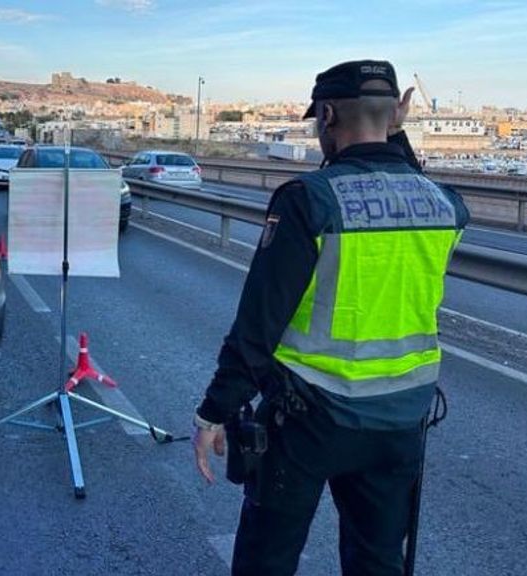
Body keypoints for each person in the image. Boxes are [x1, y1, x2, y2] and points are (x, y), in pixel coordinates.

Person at [192, 60, 469, 576]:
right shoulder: (443, 204)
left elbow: (260, 323)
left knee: (266, 559)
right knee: (378, 561)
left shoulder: (309, 201)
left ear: (326, 115)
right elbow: (407, 185)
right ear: (392, 119)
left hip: (308, 422)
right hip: (401, 423)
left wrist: (215, 411)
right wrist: (398, 138)